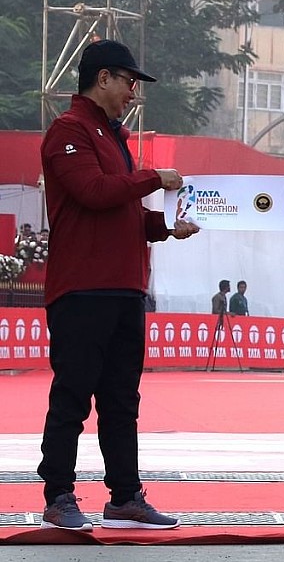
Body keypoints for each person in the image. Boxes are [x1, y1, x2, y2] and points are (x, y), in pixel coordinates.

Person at [38, 39, 199, 531]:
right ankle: (58, 496)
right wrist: (154, 178)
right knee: (73, 395)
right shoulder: (68, 130)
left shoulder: (114, 137)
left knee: (121, 400)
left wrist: (165, 227)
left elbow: (123, 212)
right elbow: (92, 192)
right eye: (129, 81)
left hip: (125, 287)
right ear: (102, 78)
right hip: (82, 287)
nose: (133, 92)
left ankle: (125, 497)